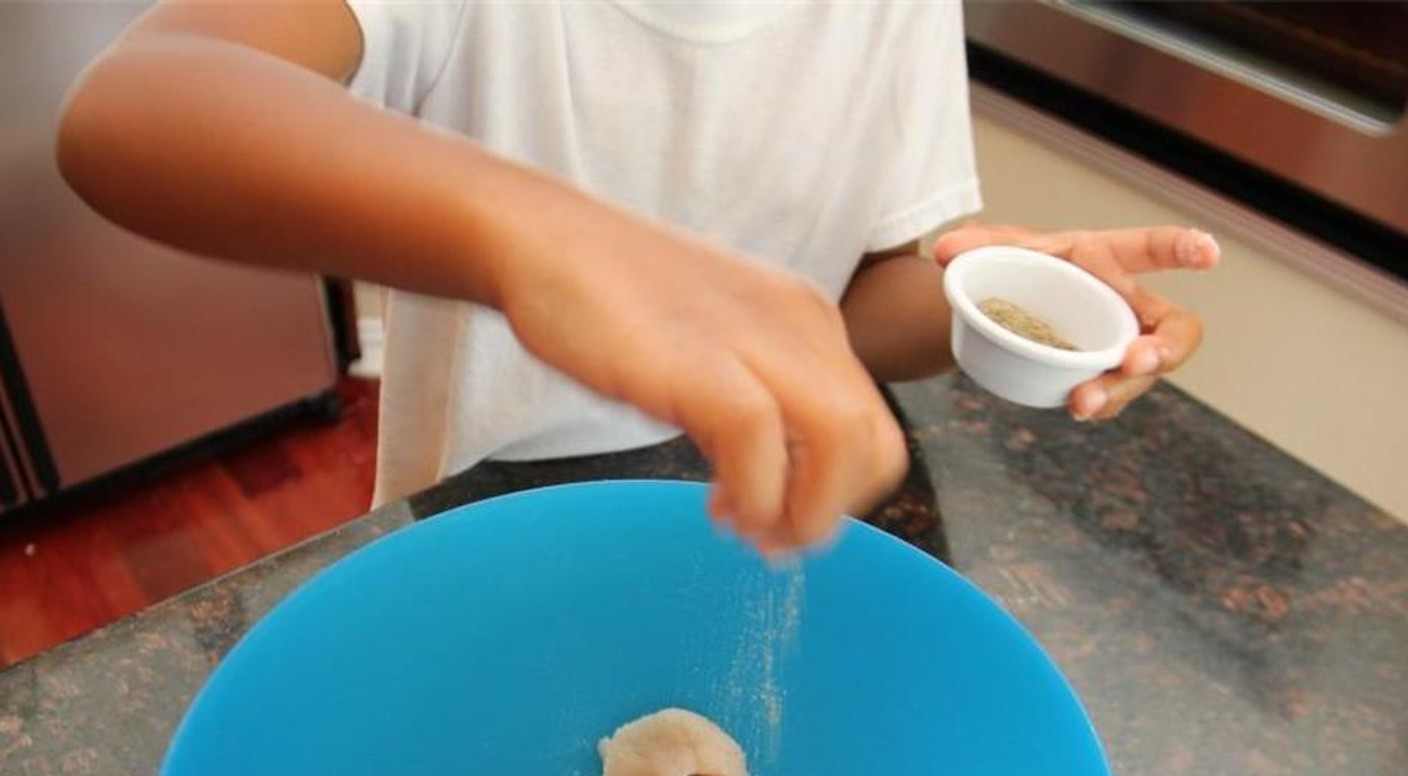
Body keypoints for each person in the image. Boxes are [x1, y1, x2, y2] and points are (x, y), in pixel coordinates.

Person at [56, 0, 1218, 554]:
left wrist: (992, 299)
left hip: (762, 490)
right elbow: (137, 104)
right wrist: (552, 237)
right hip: (493, 507)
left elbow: (862, 307)